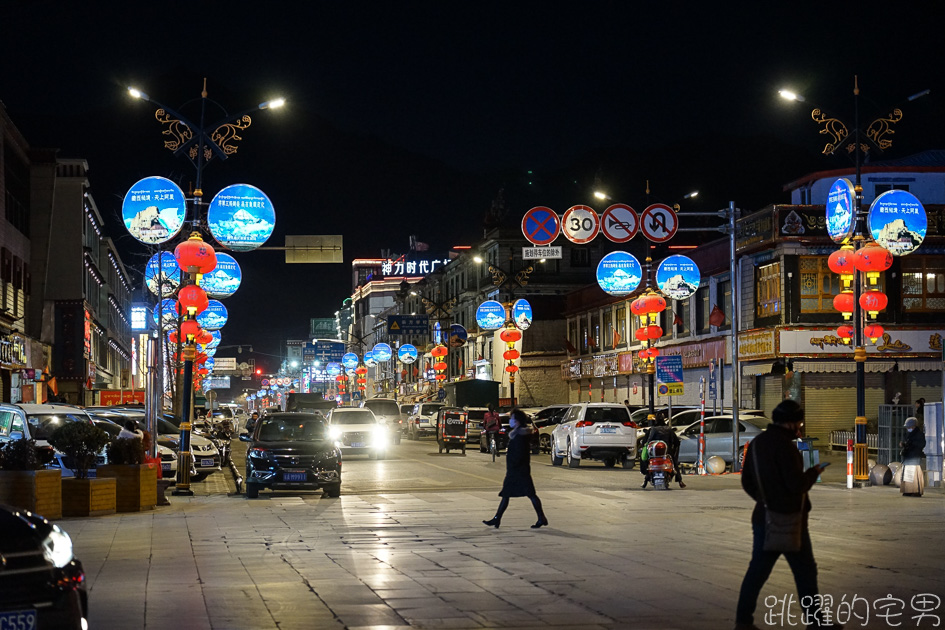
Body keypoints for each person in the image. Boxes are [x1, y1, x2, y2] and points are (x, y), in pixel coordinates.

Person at [734, 400, 836, 630]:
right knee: (805, 572)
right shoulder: (785, 447)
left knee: (757, 572)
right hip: (792, 520)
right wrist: (813, 472)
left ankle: (743, 621)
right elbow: (796, 485)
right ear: (791, 423)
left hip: (765, 518)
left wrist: (765, 501)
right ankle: (816, 622)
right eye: (799, 422)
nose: (800, 428)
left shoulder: (758, 443)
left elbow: (747, 481)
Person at [482, 408, 548, 529]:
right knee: (513, 494)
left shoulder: (520, 436)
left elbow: (519, 454)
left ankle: (541, 517)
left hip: (518, 471)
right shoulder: (518, 434)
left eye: (512, 418)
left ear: (517, 421)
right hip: (518, 470)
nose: (511, 421)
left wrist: (513, 465)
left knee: (526, 494)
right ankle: (497, 518)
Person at [641, 412, 684, 488]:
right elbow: (676, 442)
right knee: (674, 463)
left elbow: (646, 441)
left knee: (646, 461)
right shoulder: (669, 429)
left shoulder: (652, 429)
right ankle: (680, 481)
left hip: (653, 453)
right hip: (667, 452)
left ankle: (645, 480)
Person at [899, 417, 925, 497]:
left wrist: (911, 444)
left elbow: (921, 444)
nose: (908, 428)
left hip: (914, 456)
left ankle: (916, 491)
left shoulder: (919, 434)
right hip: (908, 456)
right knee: (907, 475)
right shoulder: (908, 434)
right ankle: (907, 490)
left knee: (913, 475)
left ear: (914, 426)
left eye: (909, 427)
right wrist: (903, 444)